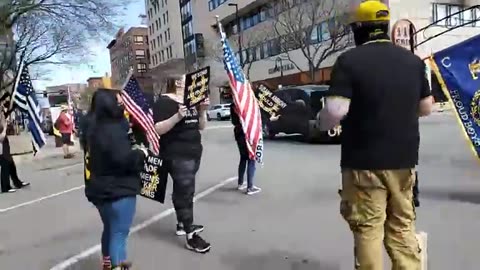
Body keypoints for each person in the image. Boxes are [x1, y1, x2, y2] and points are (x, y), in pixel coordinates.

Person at [317, 1, 433, 269]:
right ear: (384, 25)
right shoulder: (413, 62)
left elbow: (335, 111)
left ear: (359, 28)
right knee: (402, 227)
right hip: (404, 162)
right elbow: (426, 108)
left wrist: (321, 121)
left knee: (368, 228)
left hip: (364, 163)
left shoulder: (349, 61)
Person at [81, 88, 147, 270]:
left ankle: (108, 263)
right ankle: (117, 265)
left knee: (110, 229)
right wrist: (141, 154)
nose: (122, 104)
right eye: (118, 101)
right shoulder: (113, 129)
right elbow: (124, 160)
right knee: (119, 234)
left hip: (99, 189)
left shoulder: (91, 128)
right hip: (118, 190)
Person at [153, 75, 211, 253]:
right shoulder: (164, 102)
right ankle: (190, 235)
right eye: (189, 81)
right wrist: (177, 117)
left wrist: (202, 111)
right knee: (184, 193)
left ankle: (181, 223)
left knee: (185, 191)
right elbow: (157, 128)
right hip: (176, 155)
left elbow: (201, 127)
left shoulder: (191, 101)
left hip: (194, 153)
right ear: (178, 83)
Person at [230, 103, 261, 195]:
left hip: (238, 133)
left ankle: (240, 183)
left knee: (243, 158)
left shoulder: (233, 105)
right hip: (247, 133)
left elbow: (234, 121)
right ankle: (250, 187)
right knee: (251, 158)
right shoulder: (245, 104)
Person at [0, 110, 30, 193]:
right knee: (5, 164)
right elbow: (1, 136)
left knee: (10, 163)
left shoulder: (1, 116)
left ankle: (17, 183)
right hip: (1, 144)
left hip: (4, 144)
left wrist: (3, 118)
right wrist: (5, 128)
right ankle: (5, 187)